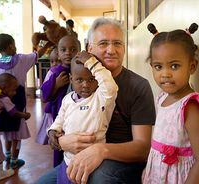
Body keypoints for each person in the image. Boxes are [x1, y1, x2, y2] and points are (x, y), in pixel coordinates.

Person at [36, 17, 156, 184]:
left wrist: (102, 150)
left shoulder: (138, 86)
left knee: (99, 179)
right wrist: (61, 141)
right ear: (89, 48)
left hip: (120, 161)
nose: (111, 50)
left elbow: (143, 148)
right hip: (79, 157)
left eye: (117, 43)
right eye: (103, 43)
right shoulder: (80, 80)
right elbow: (64, 118)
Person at [142, 23, 199, 184]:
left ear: (192, 66)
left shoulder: (190, 107)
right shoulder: (162, 98)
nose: (165, 74)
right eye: (158, 67)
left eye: (174, 66)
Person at [0, 33, 49, 169]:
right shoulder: (21, 59)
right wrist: (48, 44)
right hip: (18, 102)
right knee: (17, 135)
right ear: (11, 45)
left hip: (0, 105)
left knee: (6, 133)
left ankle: (7, 157)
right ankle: (15, 161)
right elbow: (37, 54)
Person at [48, 51, 118, 184]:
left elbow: (111, 87)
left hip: (93, 163)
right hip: (68, 161)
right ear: (71, 80)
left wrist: (93, 63)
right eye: (79, 80)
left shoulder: (101, 98)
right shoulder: (67, 99)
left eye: (91, 79)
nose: (85, 84)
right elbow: (59, 119)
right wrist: (52, 130)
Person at [36, 35, 80, 167]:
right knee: (60, 142)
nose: (68, 52)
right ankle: (58, 169)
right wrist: (55, 85)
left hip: (77, 114)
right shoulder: (55, 71)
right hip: (60, 115)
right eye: (63, 49)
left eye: (73, 49)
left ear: (79, 51)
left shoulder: (80, 69)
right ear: (58, 54)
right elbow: (44, 95)